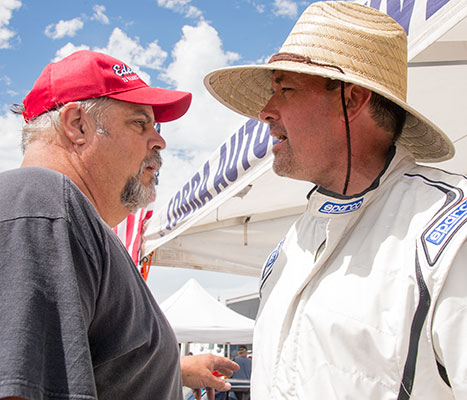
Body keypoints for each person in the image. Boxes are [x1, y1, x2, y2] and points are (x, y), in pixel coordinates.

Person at [204, 1, 467, 399]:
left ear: (352, 100)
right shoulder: (292, 245)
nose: (265, 111)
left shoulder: (449, 233)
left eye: (285, 89)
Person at [0, 50, 238, 400]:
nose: (159, 141)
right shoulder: (41, 200)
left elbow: (97, 362)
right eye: (140, 123)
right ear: (78, 125)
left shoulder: (69, 219)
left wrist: (174, 367)